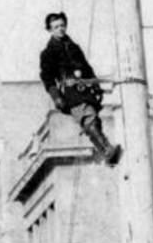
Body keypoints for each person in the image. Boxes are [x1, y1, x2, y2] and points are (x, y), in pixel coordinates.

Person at [39, 12, 122, 166]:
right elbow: (47, 78)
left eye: (62, 25)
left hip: (85, 89)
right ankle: (107, 150)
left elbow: (87, 68)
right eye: (56, 27)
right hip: (70, 93)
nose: (60, 29)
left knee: (93, 121)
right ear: (50, 30)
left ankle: (107, 155)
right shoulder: (48, 53)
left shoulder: (74, 47)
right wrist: (56, 96)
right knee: (88, 118)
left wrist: (96, 87)